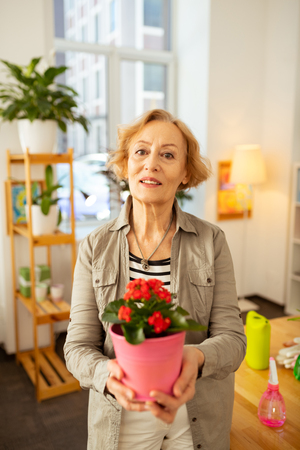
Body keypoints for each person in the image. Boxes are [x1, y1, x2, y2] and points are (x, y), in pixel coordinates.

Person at [64, 109, 247, 450]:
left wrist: (196, 357)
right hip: (121, 418)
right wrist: (107, 375)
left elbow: (233, 339)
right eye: (141, 151)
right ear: (125, 164)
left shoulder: (212, 241)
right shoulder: (94, 246)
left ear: (185, 172)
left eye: (167, 154)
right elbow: (77, 347)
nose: (151, 164)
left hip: (196, 420)